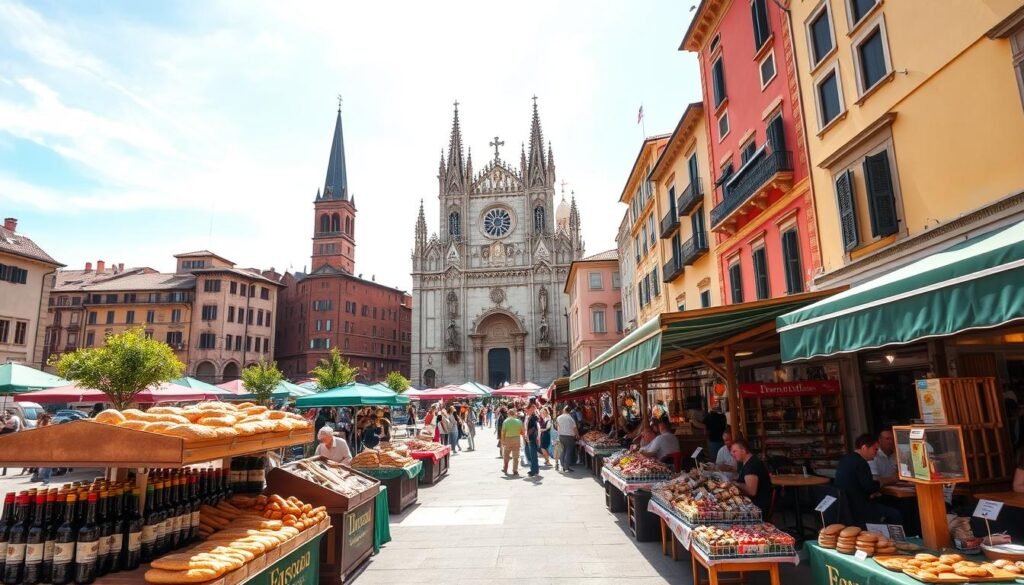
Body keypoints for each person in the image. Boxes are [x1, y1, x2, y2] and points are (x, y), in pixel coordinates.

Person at [836, 433, 902, 526]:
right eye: (874, 449)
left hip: (845, 505)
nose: (875, 454)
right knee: (895, 514)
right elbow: (870, 487)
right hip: (858, 506)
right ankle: (892, 539)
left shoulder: (846, 459)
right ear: (864, 447)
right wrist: (884, 483)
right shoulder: (861, 463)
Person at [730, 438, 773, 515]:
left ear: (743, 450)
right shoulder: (748, 462)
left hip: (757, 507)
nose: (732, 454)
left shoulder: (751, 465)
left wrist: (736, 484)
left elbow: (751, 491)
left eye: (734, 451)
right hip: (752, 504)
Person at [500, 408, 525, 476]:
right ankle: (515, 470)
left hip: (508, 439)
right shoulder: (519, 421)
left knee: (506, 455)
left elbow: (503, 432)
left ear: (508, 414)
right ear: (515, 414)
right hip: (516, 439)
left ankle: (505, 468)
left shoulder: (505, 421)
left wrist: (502, 441)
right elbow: (522, 432)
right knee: (516, 456)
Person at [556, 406, 579, 472]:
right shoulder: (570, 418)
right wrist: (577, 435)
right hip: (569, 436)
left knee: (563, 450)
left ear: (564, 410)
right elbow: (574, 428)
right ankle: (566, 467)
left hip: (561, 436)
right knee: (568, 451)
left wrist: (559, 433)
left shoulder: (559, 417)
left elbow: (557, 427)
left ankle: (563, 465)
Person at [32, 413, 53, 484]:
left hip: (38, 445)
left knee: (39, 461)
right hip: (47, 445)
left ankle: (35, 475)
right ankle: (46, 478)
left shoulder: (38, 423)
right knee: (48, 462)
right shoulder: (49, 425)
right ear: (48, 418)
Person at [524, 403, 542, 477]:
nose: (526, 411)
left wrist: (538, 436)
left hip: (533, 438)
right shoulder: (531, 417)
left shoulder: (534, 417)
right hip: (532, 437)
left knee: (533, 455)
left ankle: (534, 470)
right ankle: (535, 470)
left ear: (531, 409)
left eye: (527, 409)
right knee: (533, 455)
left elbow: (538, 427)